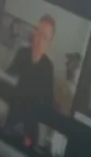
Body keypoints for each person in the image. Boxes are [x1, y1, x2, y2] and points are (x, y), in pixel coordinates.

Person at [5, 14, 57, 144]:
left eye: (44, 37)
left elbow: (48, 102)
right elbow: (8, 78)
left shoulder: (48, 67)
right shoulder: (22, 52)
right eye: (38, 33)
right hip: (13, 113)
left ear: (49, 42)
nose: (39, 39)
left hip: (31, 122)